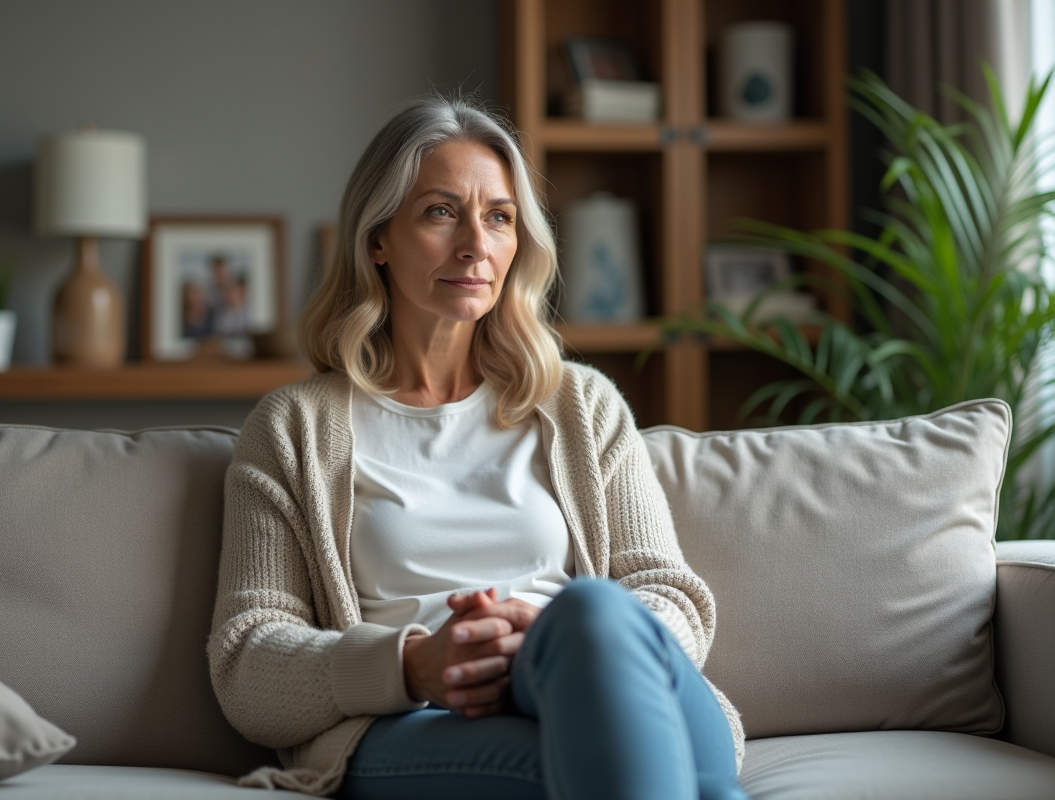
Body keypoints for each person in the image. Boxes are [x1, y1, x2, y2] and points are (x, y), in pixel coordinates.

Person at [208, 95, 748, 800]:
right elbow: (247, 662)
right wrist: (410, 665)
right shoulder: (293, 429)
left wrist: (554, 637)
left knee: (590, 616)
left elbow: (669, 593)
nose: (476, 245)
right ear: (378, 237)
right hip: (424, 717)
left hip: (603, 674)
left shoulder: (580, 405)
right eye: (440, 212)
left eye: (499, 217)